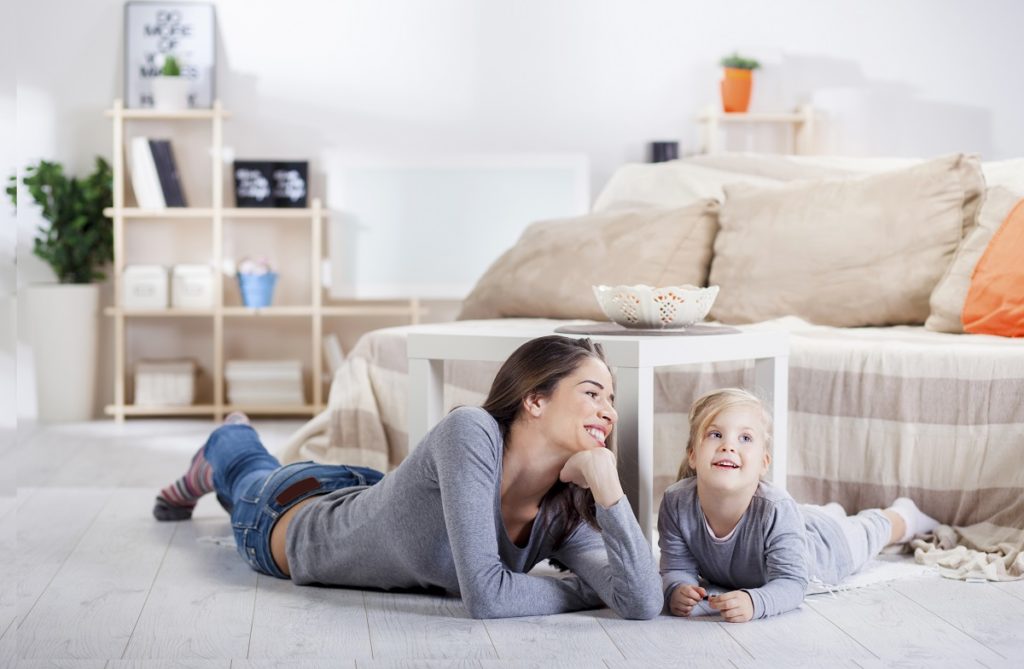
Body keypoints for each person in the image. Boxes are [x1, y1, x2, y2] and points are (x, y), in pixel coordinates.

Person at [154, 335, 663, 620]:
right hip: (285, 518)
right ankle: (224, 443)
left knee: (263, 474)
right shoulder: (471, 431)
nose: (609, 412)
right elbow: (486, 597)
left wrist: (608, 488)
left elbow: (641, 601)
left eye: (612, 400)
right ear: (534, 399)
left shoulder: (563, 511)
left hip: (368, 492)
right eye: (593, 393)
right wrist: (585, 591)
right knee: (247, 468)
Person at [659, 387, 939, 623]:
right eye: (715, 434)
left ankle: (906, 514)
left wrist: (756, 602)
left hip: (825, 548)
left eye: (745, 438)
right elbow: (676, 567)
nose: (728, 446)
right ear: (693, 455)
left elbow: (792, 584)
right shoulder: (676, 502)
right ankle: (828, 512)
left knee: (870, 530)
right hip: (795, 521)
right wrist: (678, 588)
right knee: (805, 516)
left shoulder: (776, 509)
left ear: (763, 464)